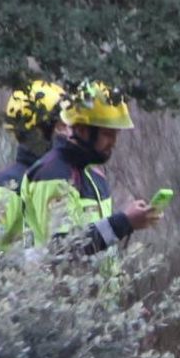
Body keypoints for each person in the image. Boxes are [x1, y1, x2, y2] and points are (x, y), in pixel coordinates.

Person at [21, 79, 159, 262]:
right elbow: (62, 249)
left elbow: (96, 240)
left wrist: (129, 223)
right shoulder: (52, 174)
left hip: (97, 291)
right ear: (82, 129)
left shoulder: (94, 176)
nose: (114, 143)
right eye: (108, 134)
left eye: (116, 135)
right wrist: (124, 222)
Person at [0, 80, 64, 250]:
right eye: (62, 127)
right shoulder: (6, 185)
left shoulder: (63, 181)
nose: (70, 134)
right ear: (39, 133)